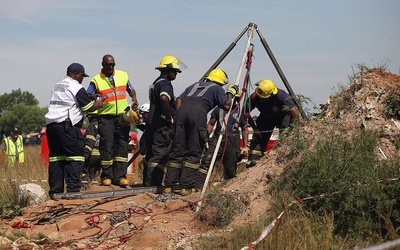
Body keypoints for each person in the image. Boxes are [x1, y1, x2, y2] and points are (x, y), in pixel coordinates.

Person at [164, 68, 239, 195]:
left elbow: (178, 100)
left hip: (181, 114)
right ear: (221, 82)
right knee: (193, 151)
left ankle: (168, 186)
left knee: (177, 150)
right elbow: (227, 106)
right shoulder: (217, 88)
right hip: (197, 114)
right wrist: (230, 93)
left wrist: (179, 117)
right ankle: (185, 187)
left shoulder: (195, 85)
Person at [45, 62, 103, 199]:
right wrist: (98, 103)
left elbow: (70, 99)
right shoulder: (76, 87)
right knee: (75, 156)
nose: (83, 79)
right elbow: (89, 108)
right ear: (75, 74)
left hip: (52, 127)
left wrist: (89, 97)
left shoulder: (58, 85)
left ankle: (55, 193)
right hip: (67, 127)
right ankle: (73, 191)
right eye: (82, 76)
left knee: (56, 159)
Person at [87, 54, 138, 187]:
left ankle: (120, 176)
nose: (110, 67)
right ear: (102, 64)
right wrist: (94, 96)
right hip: (105, 117)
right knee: (107, 146)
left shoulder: (122, 75)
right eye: (108, 65)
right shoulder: (96, 80)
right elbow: (88, 94)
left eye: (112, 65)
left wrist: (134, 98)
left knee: (122, 145)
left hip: (122, 117)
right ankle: (107, 176)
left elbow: (131, 89)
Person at [195, 86, 249, 190]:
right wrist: (205, 139)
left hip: (232, 140)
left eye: (236, 99)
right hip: (218, 138)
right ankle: (199, 185)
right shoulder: (218, 109)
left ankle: (228, 188)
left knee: (230, 166)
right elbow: (211, 124)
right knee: (207, 160)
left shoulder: (239, 112)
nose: (234, 101)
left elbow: (245, 129)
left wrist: (245, 146)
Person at [145, 55, 185, 186]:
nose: (176, 74)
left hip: (153, 123)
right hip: (162, 125)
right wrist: (169, 117)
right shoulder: (165, 84)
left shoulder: (156, 82)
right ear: (168, 70)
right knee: (160, 154)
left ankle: (148, 182)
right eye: (175, 71)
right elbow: (164, 98)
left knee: (152, 155)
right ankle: (154, 184)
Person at [245, 79, 298, 155]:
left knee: (285, 136)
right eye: (260, 97)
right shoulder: (253, 98)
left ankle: (283, 156)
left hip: (283, 116)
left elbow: (294, 112)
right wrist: (255, 128)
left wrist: (294, 127)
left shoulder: (282, 96)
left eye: (264, 98)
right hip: (266, 117)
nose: (262, 99)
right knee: (259, 136)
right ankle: (254, 160)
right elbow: (245, 113)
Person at [82, 111, 101, 182]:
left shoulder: (92, 126)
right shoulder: (105, 126)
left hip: (92, 156)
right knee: (96, 176)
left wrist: (84, 157)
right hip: (103, 157)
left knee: (88, 175)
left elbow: (89, 142)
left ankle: (86, 186)